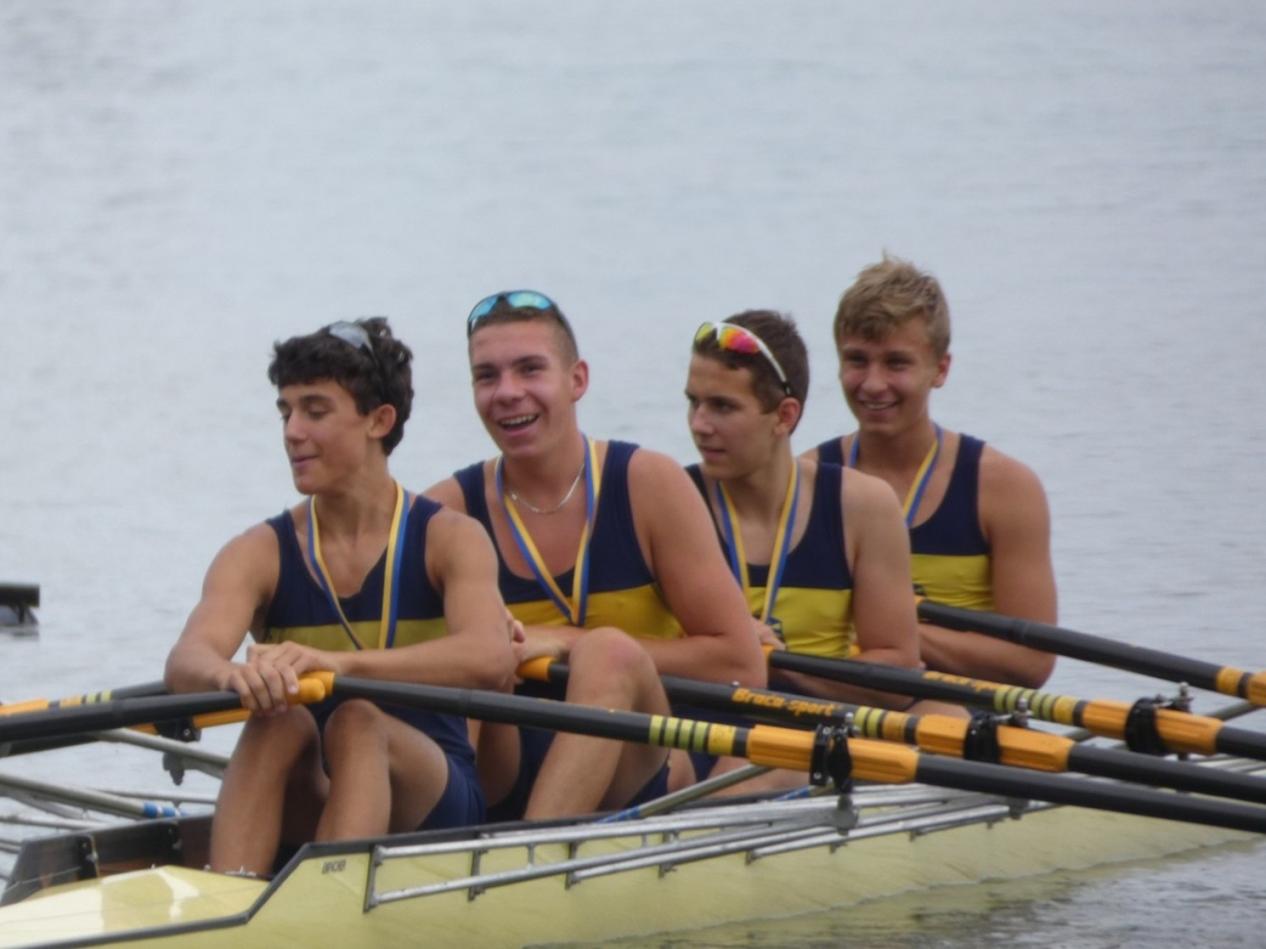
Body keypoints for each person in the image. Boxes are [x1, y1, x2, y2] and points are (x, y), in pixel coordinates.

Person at [165, 318, 516, 877]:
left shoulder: (449, 538)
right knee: (277, 720)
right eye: (285, 412)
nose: (292, 431)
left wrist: (341, 665)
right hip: (317, 792)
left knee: (356, 720)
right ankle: (227, 894)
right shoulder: (257, 552)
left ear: (379, 420)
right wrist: (230, 676)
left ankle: (321, 903)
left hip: (431, 795)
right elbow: (186, 662)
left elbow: (491, 658)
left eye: (315, 410)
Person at [425, 290, 766, 820]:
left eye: (530, 369)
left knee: (608, 653)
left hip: (643, 765)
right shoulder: (446, 511)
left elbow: (741, 665)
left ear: (577, 380)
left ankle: (532, 853)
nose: (507, 392)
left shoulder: (648, 484)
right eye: (487, 376)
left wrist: (566, 642)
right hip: (508, 763)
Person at [682, 311, 960, 793]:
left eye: (723, 407)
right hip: (698, 728)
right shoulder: (669, 499)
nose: (699, 425)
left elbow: (897, 672)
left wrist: (780, 662)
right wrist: (734, 652)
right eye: (693, 403)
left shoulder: (863, 506)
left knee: (949, 716)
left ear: (784, 416)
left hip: (812, 729)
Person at [806, 256, 1057, 688]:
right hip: (846, 711)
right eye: (857, 360)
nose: (873, 384)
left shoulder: (1005, 488)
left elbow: (1032, 662)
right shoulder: (806, 481)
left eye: (896, 363)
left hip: (969, 719)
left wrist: (892, 633)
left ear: (940, 369)